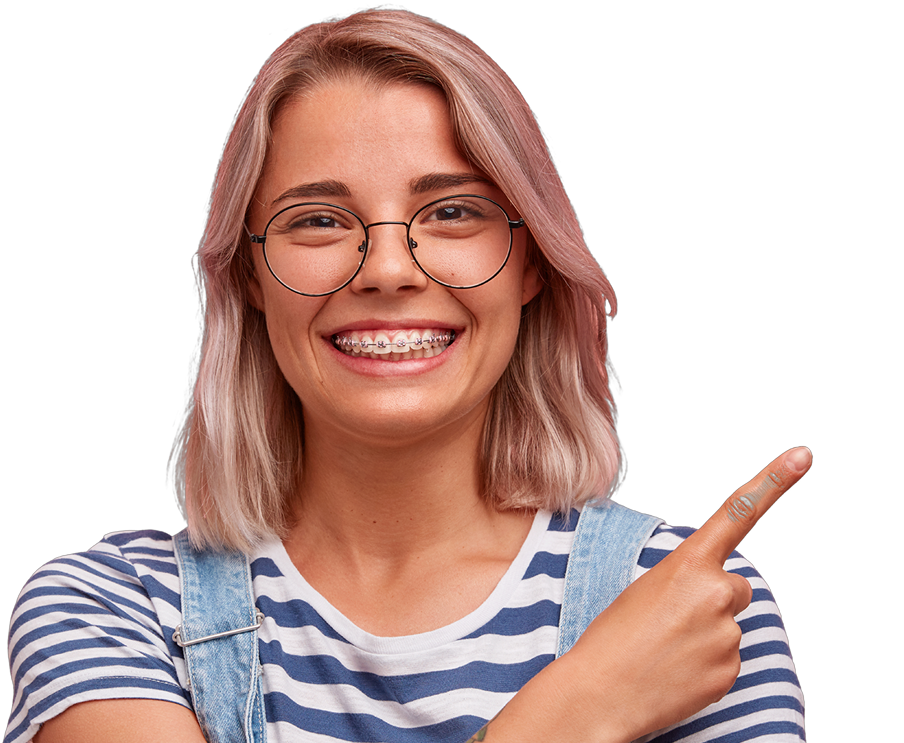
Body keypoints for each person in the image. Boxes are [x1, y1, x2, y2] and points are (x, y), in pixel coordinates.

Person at [5, 10, 809, 742]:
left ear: (532, 262)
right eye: (317, 219)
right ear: (247, 278)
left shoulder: (691, 605)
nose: (388, 269)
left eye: (455, 211)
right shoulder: (110, 609)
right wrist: (578, 714)